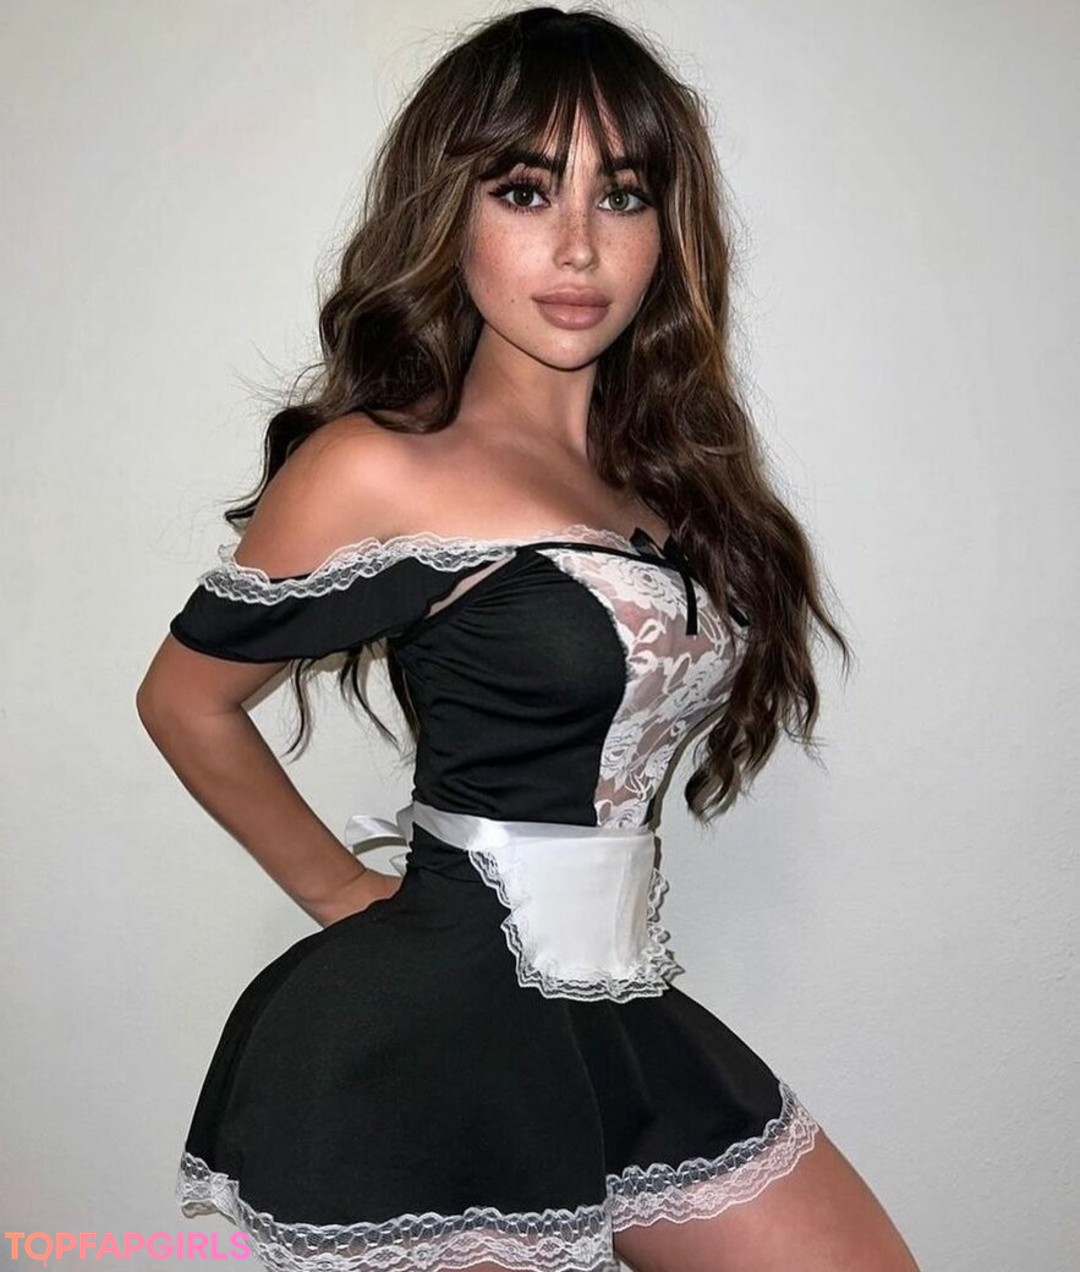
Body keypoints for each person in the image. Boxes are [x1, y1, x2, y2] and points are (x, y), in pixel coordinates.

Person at [137, 6, 921, 1270]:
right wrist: (342, 892)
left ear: (668, 230)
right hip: (435, 1039)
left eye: (622, 195)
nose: (577, 244)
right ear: (449, 212)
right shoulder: (379, 466)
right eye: (523, 189)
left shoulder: (665, 483)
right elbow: (185, 699)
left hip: (625, 1016)